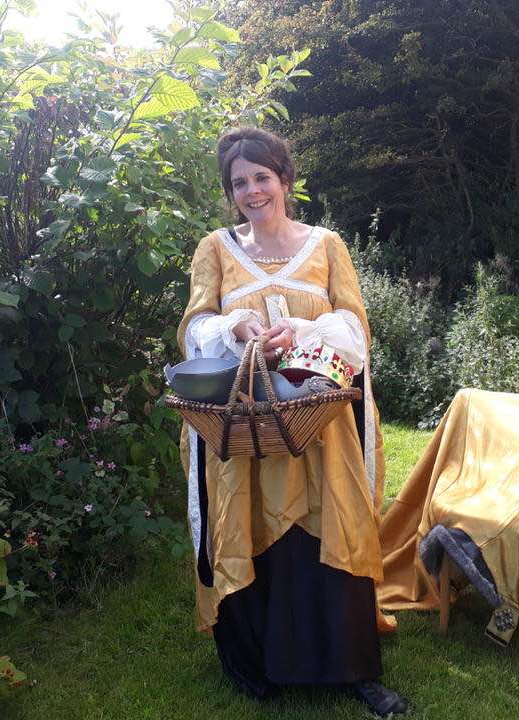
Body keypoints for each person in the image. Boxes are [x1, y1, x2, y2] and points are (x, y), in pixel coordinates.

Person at [176, 127, 407, 716]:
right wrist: (235, 327)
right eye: (240, 183)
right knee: (248, 522)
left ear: (284, 180)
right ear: (231, 192)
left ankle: (353, 669)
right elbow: (194, 329)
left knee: (334, 523)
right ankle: (259, 662)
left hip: (321, 424)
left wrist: (303, 330)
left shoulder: (327, 245)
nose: (253, 191)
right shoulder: (215, 249)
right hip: (246, 428)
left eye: (262, 177)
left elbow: (355, 329)